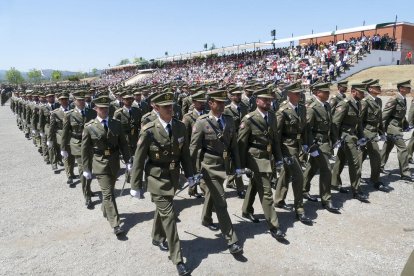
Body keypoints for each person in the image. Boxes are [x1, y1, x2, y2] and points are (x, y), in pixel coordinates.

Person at [130, 92, 194, 276]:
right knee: (169, 215)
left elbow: (185, 155)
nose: (170, 109)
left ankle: (157, 237)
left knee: (163, 209)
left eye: (171, 105)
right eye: (165, 106)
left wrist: (190, 176)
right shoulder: (149, 130)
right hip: (156, 178)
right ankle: (178, 258)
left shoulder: (180, 127)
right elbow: (139, 160)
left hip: (172, 177)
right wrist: (135, 185)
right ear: (155, 108)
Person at [190, 89, 244, 254]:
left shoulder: (228, 120)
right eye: (218, 103)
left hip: (225, 165)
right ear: (210, 103)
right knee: (221, 201)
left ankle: (206, 219)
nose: (221, 106)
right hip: (210, 167)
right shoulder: (201, 122)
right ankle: (231, 239)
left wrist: (238, 166)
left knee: (212, 194)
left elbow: (233, 145)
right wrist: (191, 172)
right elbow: (193, 148)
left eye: (223, 103)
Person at [238, 87, 286, 239]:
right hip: (255, 158)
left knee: (255, 183)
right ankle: (274, 225)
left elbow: (275, 139)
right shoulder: (249, 119)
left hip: (268, 156)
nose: (268, 102)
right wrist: (241, 165)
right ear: (257, 101)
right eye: (264, 100)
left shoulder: (272, 116)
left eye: (269, 100)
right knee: (266, 191)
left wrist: (278, 158)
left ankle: (246, 210)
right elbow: (241, 144)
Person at [81, 93, 131, 235]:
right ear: (96, 109)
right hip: (100, 162)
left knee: (110, 190)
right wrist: (86, 168)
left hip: (114, 162)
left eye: (106, 108)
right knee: (108, 193)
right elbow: (85, 150)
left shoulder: (116, 124)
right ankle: (115, 224)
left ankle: (105, 209)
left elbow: (123, 144)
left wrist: (128, 161)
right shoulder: (89, 127)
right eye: (101, 108)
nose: (105, 111)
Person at [273, 82, 312, 224]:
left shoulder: (302, 108)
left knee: (286, 172)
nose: (300, 95)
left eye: (301, 93)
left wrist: (307, 143)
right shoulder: (283, 111)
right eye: (296, 93)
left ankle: (278, 199)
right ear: (289, 94)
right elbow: (276, 135)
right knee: (298, 176)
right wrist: (278, 155)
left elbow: (305, 128)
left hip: (298, 145)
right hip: (287, 147)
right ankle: (299, 209)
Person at [303, 83, 340, 213]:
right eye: (324, 92)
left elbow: (331, 125)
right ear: (317, 92)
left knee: (312, 167)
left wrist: (335, 140)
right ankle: (326, 199)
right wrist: (310, 146)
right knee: (326, 170)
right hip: (317, 143)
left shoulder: (327, 105)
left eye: (328, 92)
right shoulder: (312, 108)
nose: (327, 94)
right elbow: (307, 128)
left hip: (326, 141)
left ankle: (303, 189)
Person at [331, 83, 368, 201]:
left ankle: (334, 183)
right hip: (345, 137)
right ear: (354, 92)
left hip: (352, 136)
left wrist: (361, 136)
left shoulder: (358, 104)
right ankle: (356, 190)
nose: (363, 94)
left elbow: (358, 122)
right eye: (361, 92)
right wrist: (335, 139)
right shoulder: (345, 103)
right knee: (355, 162)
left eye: (363, 92)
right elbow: (335, 123)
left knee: (341, 160)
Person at [62, 90, 97, 208]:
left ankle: (88, 188)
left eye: (83, 99)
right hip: (77, 144)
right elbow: (65, 133)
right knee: (83, 170)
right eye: (79, 100)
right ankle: (87, 196)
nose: (81, 102)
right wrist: (63, 148)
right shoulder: (69, 114)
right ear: (74, 101)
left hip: (91, 145)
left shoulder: (92, 112)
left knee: (90, 169)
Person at [359, 79, 390, 192]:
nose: (379, 89)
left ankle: (357, 177)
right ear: (370, 89)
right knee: (376, 156)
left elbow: (379, 119)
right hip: (367, 133)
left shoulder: (379, 101)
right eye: (377, 87)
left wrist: (382, 133)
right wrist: (361, 135)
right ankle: (375, 180)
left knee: (361, 156)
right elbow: (360, 120)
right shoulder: (365, 101)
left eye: (379, 87)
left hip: (374, 132)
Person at [380, 80, 412, 181]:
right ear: (401, 88)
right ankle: (405, 173)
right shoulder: (394, 99)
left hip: (397, 126)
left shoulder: (403, 98)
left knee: (387, 147)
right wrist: (379, 128)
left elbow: (401, 115)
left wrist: (406, 124)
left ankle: (379, 167)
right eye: (407, 87)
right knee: (403, 149)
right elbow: (384, 115)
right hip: (392, 127)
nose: (409, 89)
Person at [223, 86, 248, 198]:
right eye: (235, 95)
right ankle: (229, 181)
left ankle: (240, 188)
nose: (238, 97)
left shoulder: (244, 107)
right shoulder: (226, 109)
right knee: (229, 163)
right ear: (230, 96)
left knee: (239, 163)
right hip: (230, 140)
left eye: (239, 95)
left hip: (242, 140)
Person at [181, 90, 206, 198]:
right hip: (194, 148)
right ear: (194, 103)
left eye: (203, 101)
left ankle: (194, 190)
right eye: (200, 102)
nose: (202, 103)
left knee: (202, 170)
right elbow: (184, 136)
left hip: (205, 147)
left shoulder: (207, 114)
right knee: (195, 170)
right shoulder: (188, 117)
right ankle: (195, 190)